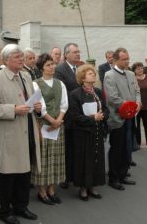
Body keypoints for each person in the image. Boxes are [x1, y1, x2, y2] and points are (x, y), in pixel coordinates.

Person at [0, 44, 42, 224]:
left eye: (21, 56)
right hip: (9, 134)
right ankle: (5, 211)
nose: (21, 59)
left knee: (24, 174)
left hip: (27, 131)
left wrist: (37, 107)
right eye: (17, 56)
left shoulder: (25, 75)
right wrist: (14, 109)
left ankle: (21, 207)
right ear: (6, 59)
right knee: (8, 175)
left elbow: (31, 101)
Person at [31, 53, 68, 205]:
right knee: (44, 158)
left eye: (53, 64)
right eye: (48, 65)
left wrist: (58, 120)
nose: (52, 67)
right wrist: (52, 121)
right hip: (43, 125)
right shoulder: (35, 84)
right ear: (41, 68)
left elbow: (64, 104)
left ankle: (52, 189)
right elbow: (40, 106)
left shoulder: (60, 83)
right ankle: (42, 191)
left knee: (56, 158)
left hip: (58, 125)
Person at [69, 64, 108, 201]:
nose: (93, 75)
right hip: (83, 133)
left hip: (97, 131)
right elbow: (74, 116)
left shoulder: (97, 91)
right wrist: (92, 118)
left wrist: (103, 115)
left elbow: (106, 108)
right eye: (90, 73)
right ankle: (83, 188)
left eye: (93, 73)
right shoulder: (75, 94)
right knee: (84, 159)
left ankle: (93, 185)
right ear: (82, 77)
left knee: (96, 158)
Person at [104, 47, 140, 191]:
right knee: (116, 148)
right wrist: (128, 106)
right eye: (124, 59)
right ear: (115, 60)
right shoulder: (109, 75)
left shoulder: (131, 74)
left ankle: (123, 174)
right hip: (117, 118)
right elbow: (112, 98)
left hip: (131, 117)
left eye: (128, 58)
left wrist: (138, 103)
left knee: (127, 147)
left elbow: (137, 91)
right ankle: (113, 178)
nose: (127, 61)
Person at [54, 42, 81, 189]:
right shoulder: (60, 70)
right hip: (68, 115)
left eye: (78, 52)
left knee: (77, 147)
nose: (77, 54)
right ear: (66, 54)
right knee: (68, 148)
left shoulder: (81, 68)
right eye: (74, 52)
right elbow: (62, 94)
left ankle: (76, 173)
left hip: (81, 115)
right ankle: (66, 176)